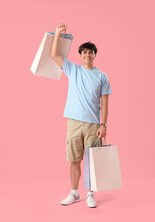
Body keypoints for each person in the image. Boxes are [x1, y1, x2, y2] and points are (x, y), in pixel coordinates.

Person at [51, 23, 112, 208]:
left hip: (93, 124)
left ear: (95, 55)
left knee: (92, 162)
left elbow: (105, 103)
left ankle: (91, 194)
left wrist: (104, 125)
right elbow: (54, 55)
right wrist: (57, 33)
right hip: (74, 122)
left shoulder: (102, 76)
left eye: (90, 52)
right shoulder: (73, 70)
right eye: (84, 52)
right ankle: (74, 193)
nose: (87, 55)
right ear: (80, 55)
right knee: (74, 159)